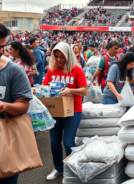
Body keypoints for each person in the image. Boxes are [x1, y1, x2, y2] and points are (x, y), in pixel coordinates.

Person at [43, 42, 88, 181]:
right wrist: (39, 90)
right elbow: (45, 86)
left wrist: (71, 90)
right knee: (55, 142)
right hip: (55, 110)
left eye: (62, 56)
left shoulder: (76, 69)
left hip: (73, 109)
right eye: (56, 57)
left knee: (68, 142)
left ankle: (71, 168)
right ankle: (58, 168)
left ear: (68, 55)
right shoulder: (51, 70)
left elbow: (84, 90)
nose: (59, 60)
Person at [0, 24, 33, 184]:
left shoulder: (14, 71)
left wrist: (4, 106)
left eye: (2, 46)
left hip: (5, 142)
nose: (2, 51)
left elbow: (23, 105)